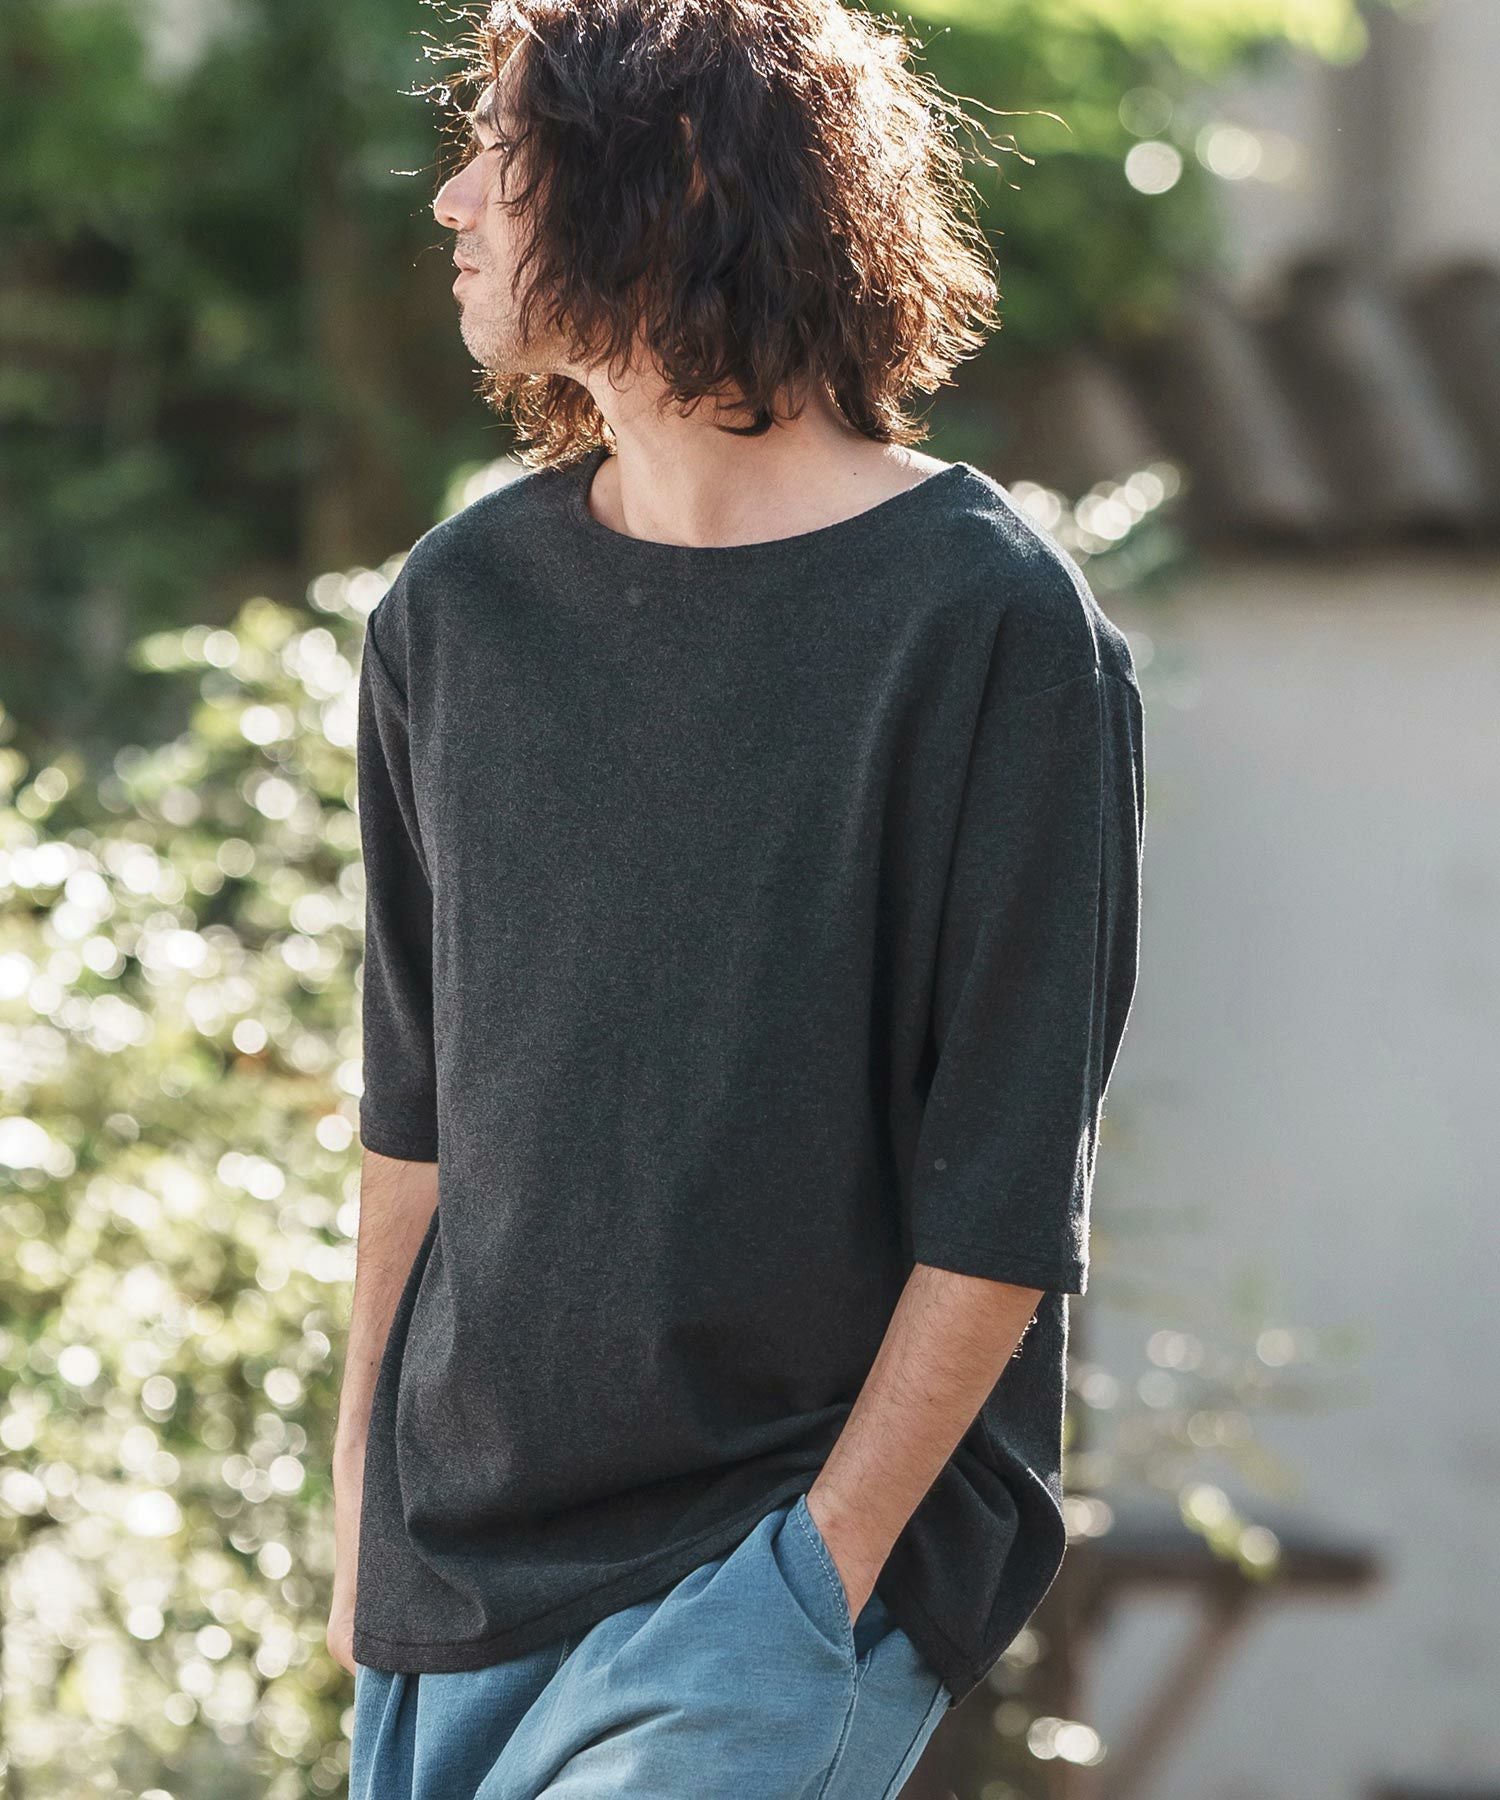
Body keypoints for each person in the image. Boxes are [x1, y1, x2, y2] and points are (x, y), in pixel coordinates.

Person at [328, 2, 1147, 1795]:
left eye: (505, 154)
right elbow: (415, 1128)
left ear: (678, 177)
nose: (452, 199)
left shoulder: (992, 626)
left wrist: (818, 1574)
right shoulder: (453, 612)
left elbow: (1005, 1192)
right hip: (451, 1585)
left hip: (761, 1583)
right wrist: (359, 1537)